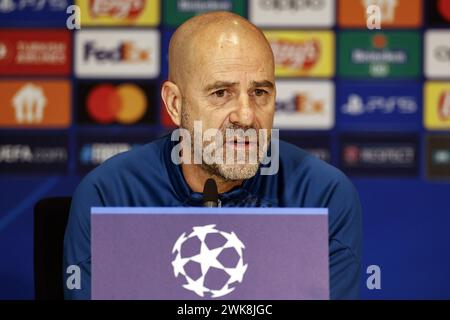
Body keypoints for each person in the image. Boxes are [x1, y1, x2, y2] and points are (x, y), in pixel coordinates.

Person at [64, 11, 362, 300]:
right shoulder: (110, 195)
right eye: (221, 93)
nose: (246, 117)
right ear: (175, 104)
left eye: (260, 93)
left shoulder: (323, 196)